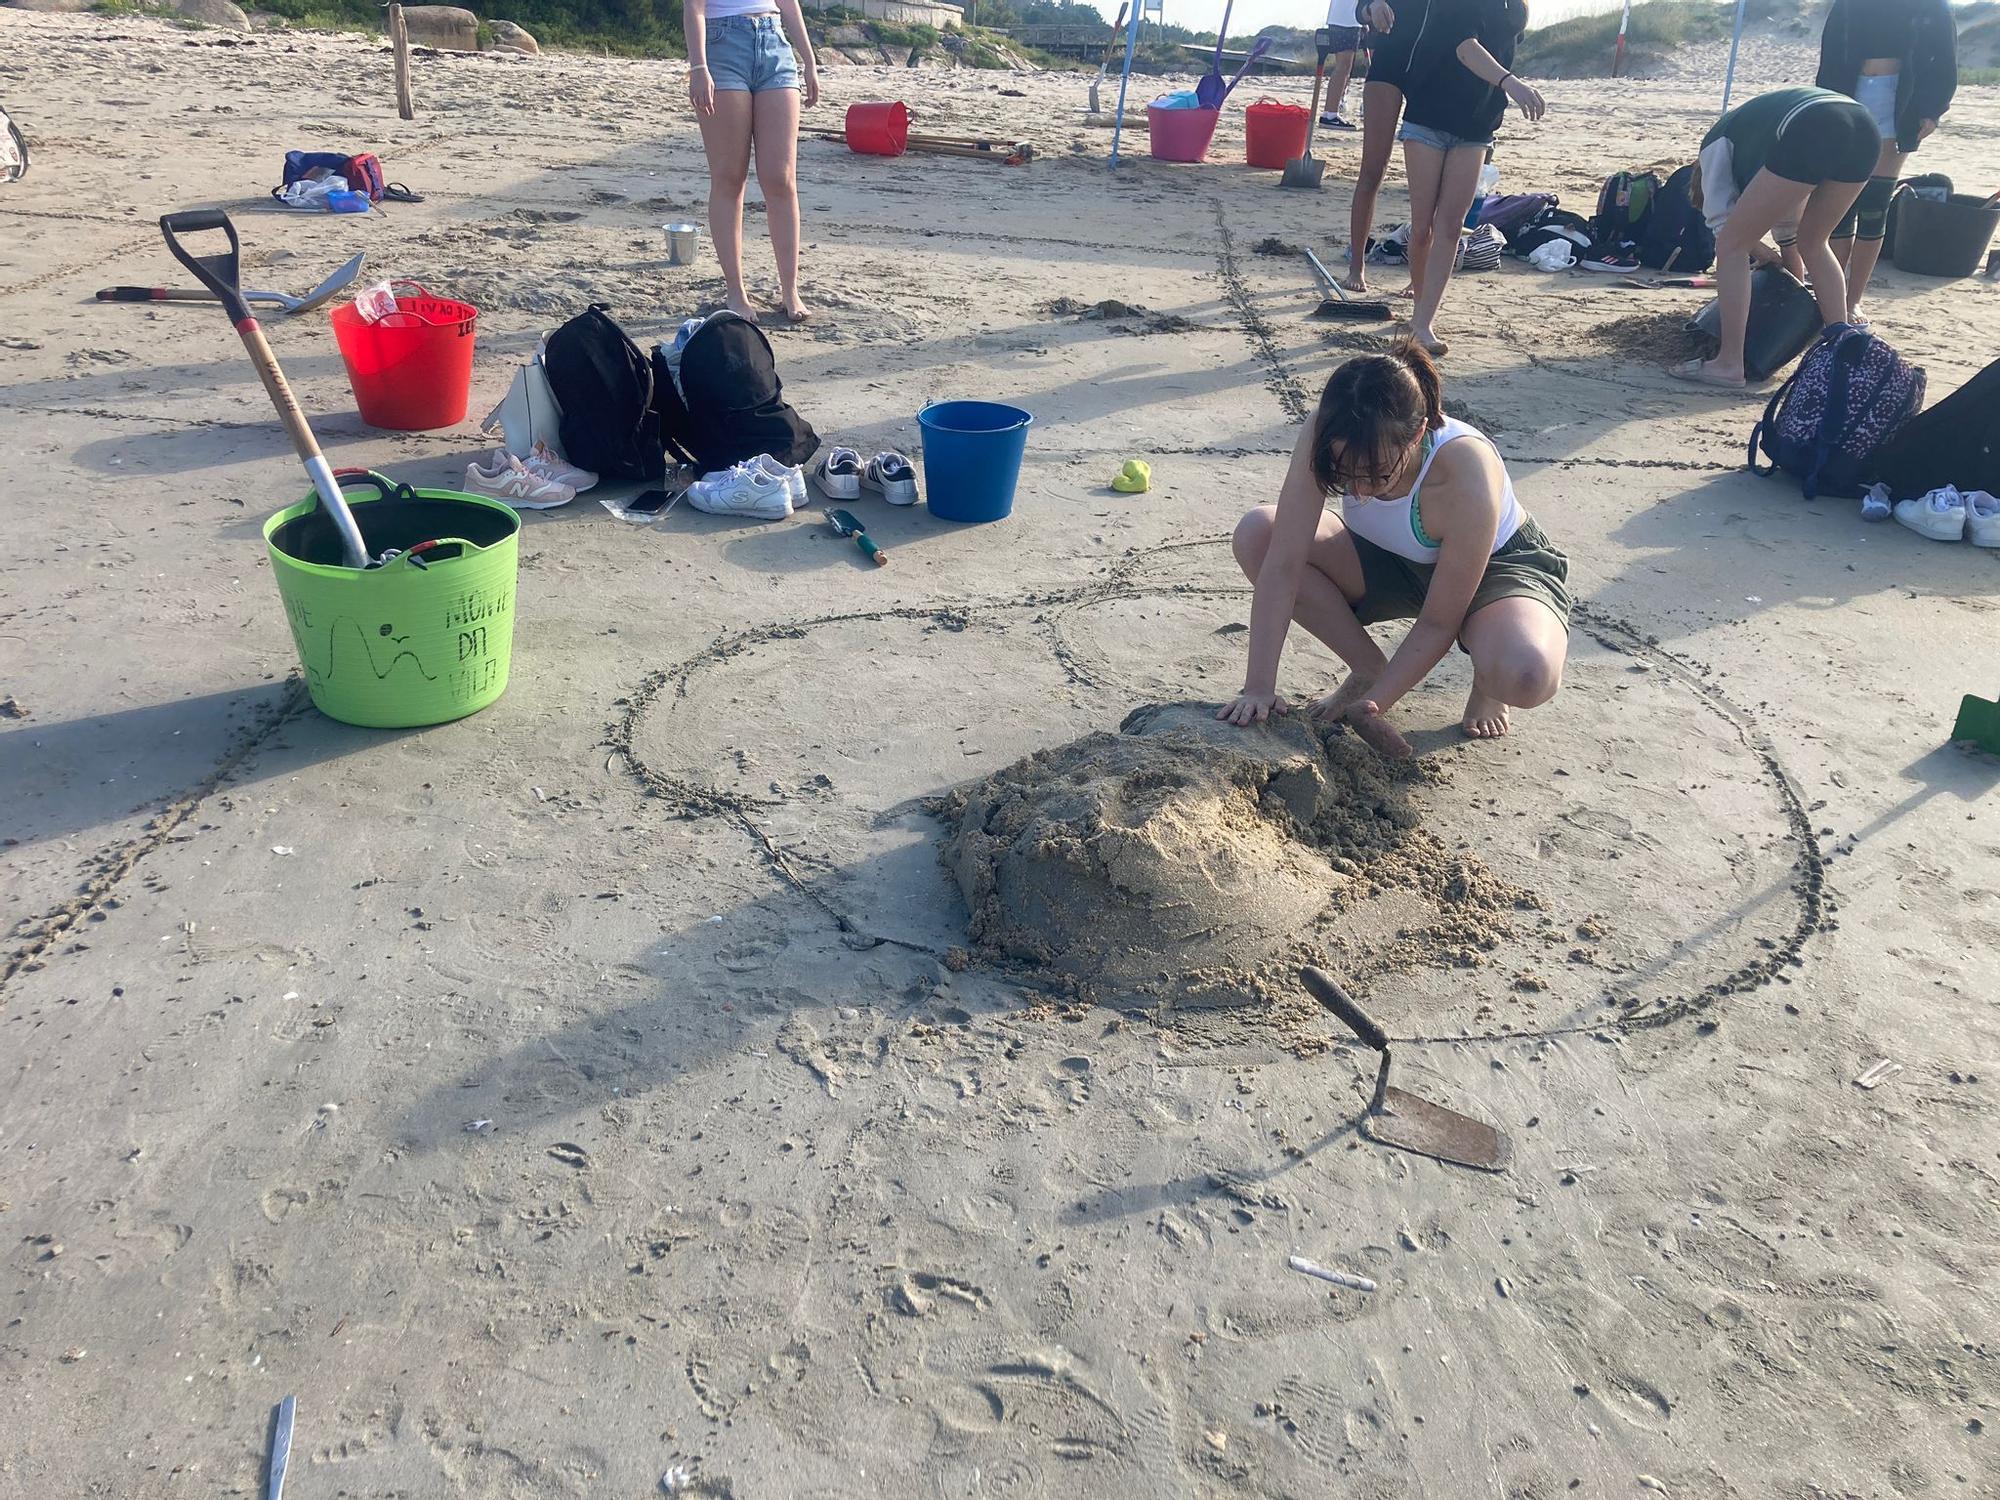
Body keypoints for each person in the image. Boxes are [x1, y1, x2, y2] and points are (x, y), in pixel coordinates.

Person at [1220, 343, 1571, 757]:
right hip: (1390, 559)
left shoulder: (1465, 466)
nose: (1363, 490)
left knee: (1525, 675)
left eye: (1378, 474)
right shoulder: (1326, 431)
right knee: (1258, 533)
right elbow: (1283, 563)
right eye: (1348, 477)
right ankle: (1368, 667)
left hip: (1495, 570)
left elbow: (1439, 621)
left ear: (1419, 433)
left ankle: (1486, 678)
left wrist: (1374, 708)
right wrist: (1259, 687)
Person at [1673, 87, 1879, 390]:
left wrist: (1757, 251)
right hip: (1863, 127)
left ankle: (1729, 363)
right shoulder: (1759, 148)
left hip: (1817, 123)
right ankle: (1840, 352)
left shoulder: (1713, 149)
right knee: (1814, 241)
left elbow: (1724, 229)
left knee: (1731, 246)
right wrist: (1786, 293)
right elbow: (1789, 236)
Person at [1392, 0, 1544, 355]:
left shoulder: (1517, 8)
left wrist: (1503, 89)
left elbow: (1504, 49)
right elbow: (1465, 47)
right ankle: (1419, 309)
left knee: (1451, 226)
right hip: (1429, 117)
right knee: (1423, 226)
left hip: (1477, 125)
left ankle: (1423, 323)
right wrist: (1512, 84)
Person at [1816, 0, 1958, 322]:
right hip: (1847, 95)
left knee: (1874, 203)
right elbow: (1831, 53)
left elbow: (1946, 61)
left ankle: (1853, 300)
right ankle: (1832, 298)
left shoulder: (1933, 5)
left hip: (1900, 101)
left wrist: (1933, 110)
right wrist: (1824, 103)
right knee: (1840, 206)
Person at [684, 0, 820, 324]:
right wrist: (698, 66)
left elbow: (788, 3)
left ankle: (790, 291)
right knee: (730, 177)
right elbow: (694, 6)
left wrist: (809, 60)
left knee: (781, 178)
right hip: (723, 44)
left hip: (774, 43)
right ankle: (736, 291)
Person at [1321, 0, 1366, 131]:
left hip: (1343, 20)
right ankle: (1330, 114)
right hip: (1347, 21)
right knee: (1343, 67)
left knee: (1343, 68)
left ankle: (1331, 113)